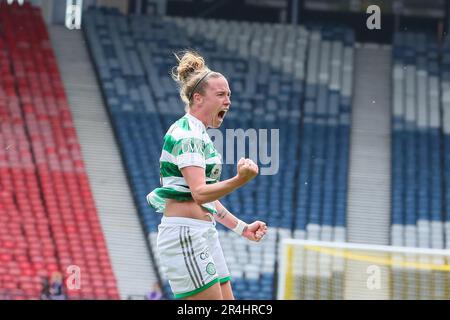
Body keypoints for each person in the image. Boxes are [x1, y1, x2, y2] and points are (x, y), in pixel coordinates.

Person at [147, 50, 268, 300]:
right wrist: (239, 180)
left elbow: (206, 199)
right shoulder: (187, 134)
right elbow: (200, 194)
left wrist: (242, 228)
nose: (228, 102)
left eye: (229, 96)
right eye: (221, 94)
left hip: (202, 232)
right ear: (198, 98)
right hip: (185, 235)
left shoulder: (200, 134)